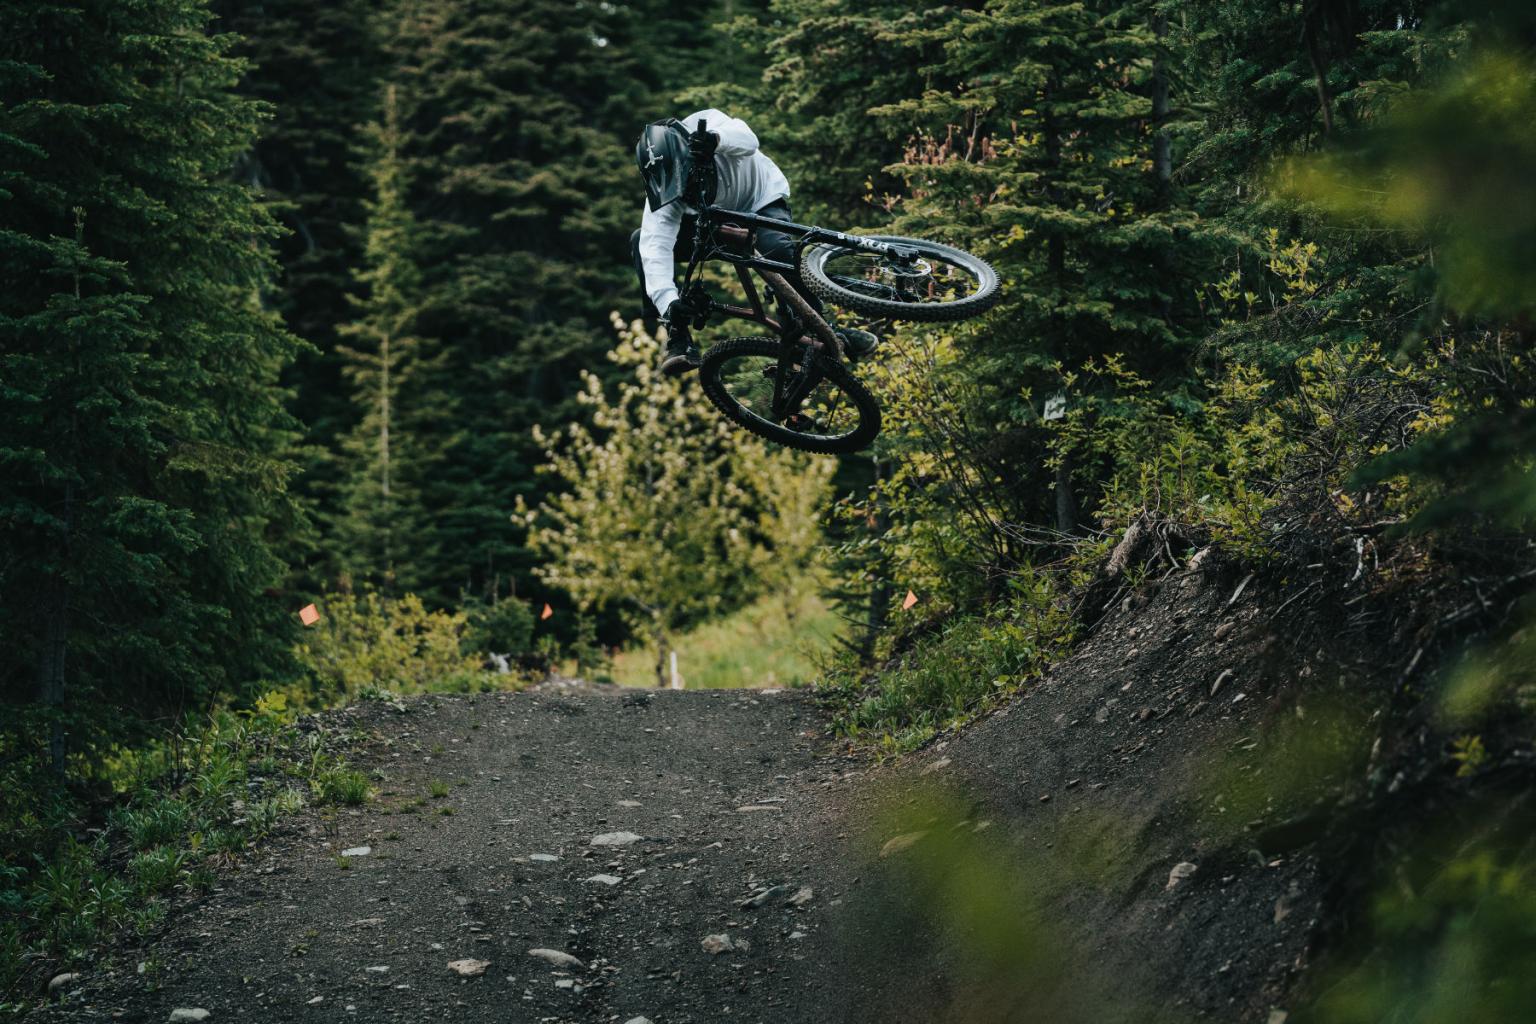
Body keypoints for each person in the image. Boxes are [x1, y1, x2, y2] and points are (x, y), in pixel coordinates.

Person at [630, 108, 876, 376]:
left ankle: (829, 329)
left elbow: (748, 139)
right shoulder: (662, 192)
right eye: (680, 191)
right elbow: (654, 248)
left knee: (776, 250)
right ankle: (677, 335)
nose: (686, 194)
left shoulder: (709, 125)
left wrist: (716, 139)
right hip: (714, 222)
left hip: (761, 202)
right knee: (639, 241)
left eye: (687, 184)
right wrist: (669, 302)